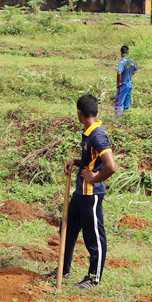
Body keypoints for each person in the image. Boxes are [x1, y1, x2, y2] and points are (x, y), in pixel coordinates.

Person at [44, 94, 117, 290]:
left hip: (91, 194)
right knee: (67, 229)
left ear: (79, 112)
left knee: (93, 238)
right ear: (95, 111)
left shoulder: (98, 135)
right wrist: (76, 162)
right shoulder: (89, 132)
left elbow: (111, 166)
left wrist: (94, 178)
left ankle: (94, 278)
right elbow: (92, 161)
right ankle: (63, 270)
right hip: (80, 192)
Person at [115, 46, 138, 119]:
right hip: (129, 84)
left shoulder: (122, 62)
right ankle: (126, 118)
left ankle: (117, 120)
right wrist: (130, 75)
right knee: (127, 102)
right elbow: (136, 69)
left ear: (122, 53)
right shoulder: (132, 61)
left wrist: (119, 82)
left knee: (119, 103)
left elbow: (119, 73)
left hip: (123, 84)